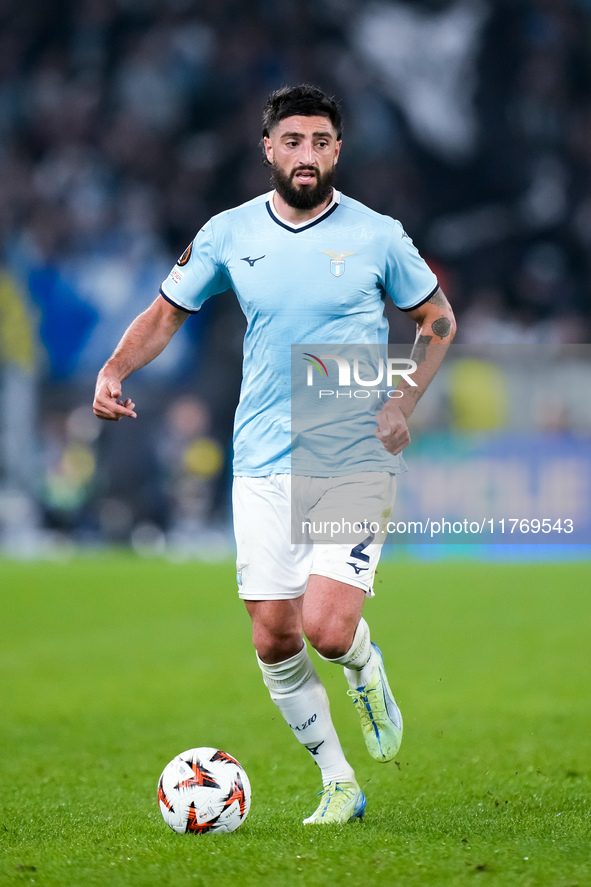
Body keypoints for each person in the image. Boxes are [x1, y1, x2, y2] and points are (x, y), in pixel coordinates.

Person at [93, 84, 456, 825]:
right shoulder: (227, 234)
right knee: (273, 633)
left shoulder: (377, 234)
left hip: (349, 446)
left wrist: (401, 400)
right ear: (268, 148)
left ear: (336, 152)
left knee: (325, 628)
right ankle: (337, 779)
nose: (306, 154)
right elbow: (166, 311)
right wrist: (114, 369)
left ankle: (362, 664)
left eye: (320, 141)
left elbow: (437, 318)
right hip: (260, 455)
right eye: (292, 140)